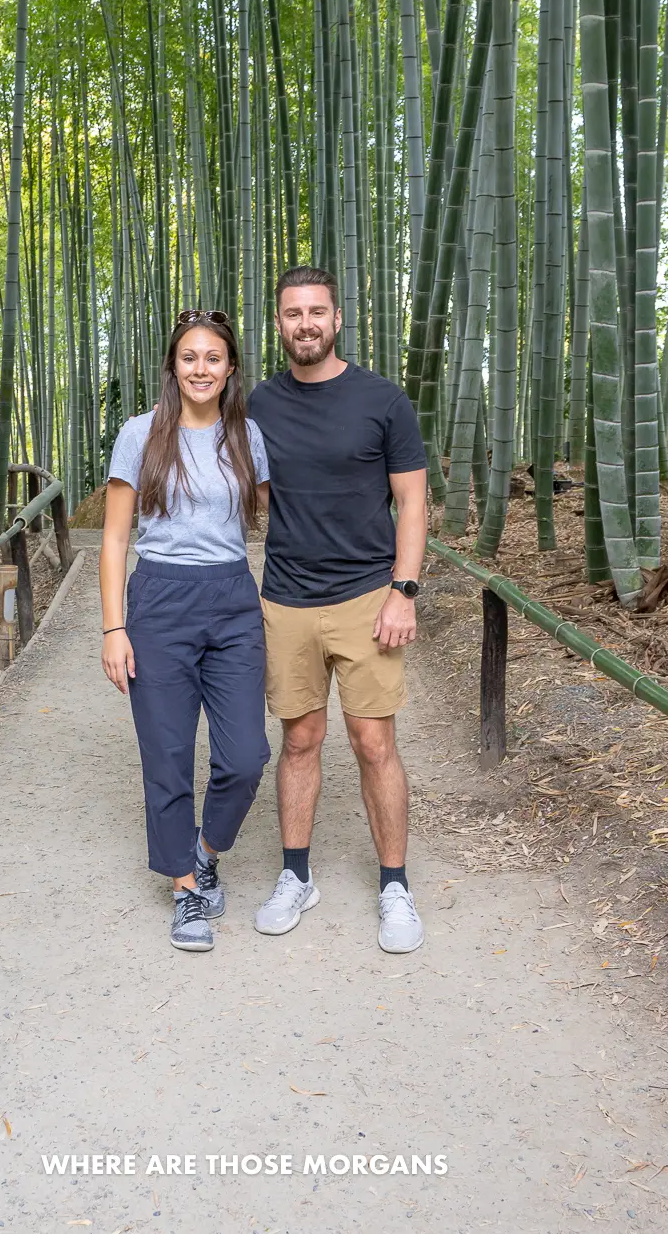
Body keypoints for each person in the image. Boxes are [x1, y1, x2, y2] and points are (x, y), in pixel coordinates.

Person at [247, 266, 428, 954]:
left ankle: (394, 886)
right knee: (298, 741)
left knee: (374, 743)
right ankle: (297, 876)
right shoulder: (258, 404)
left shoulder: (382, 400)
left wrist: (403, 590)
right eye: (292, 313)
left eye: (316, 311)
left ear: (338, 318)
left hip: (366, 599)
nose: (305, 323)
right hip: (287, 599)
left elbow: (411, 503)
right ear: (279, 325)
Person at [100, 310, 271, 953]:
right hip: (160, 598)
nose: (202, 369)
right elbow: (115, 538)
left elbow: (283, 519)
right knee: (168, 756)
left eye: (214, 359)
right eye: (190, 357)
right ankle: (185, 889)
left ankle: (204, 850)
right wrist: (114, 627)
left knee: (246, 756)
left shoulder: (247, 436)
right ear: (174, 365)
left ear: (230, 369)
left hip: (231, 598)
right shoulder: (140, 434)